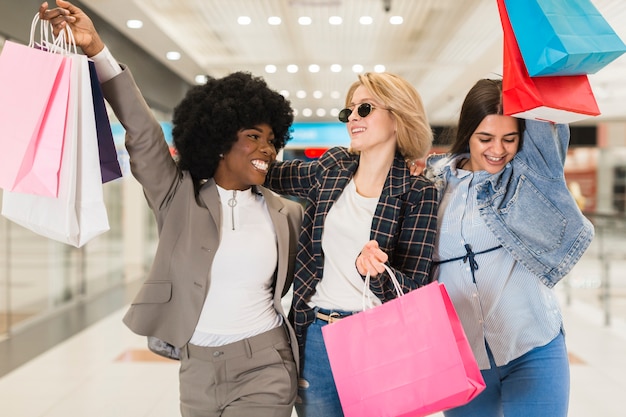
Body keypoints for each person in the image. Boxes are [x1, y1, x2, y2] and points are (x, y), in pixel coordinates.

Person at [39, 1, 304, 416]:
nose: (267, 149)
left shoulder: (287, 213)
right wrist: (96, 51)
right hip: (196, 368)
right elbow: (142, 131)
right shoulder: (178, 197)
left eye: (273, 140)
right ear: (219, 138)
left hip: (265, 366)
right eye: (254, 136)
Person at [265, 72, 439, 416]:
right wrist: (215, 153)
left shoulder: (419, 191)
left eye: (365, 109)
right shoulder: (332, 167)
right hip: (316, 336)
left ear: (398, 117)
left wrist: (375, 271)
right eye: (349, 112)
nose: (352, 119)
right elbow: (269, 173)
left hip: (381, 341)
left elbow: (415, 290)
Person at [421, 79, 594, 417]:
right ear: (467, 134)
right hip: (462, 357)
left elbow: (547, 113)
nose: (497, 149)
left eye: (509, 138)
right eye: (485, 138)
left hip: (533, 344)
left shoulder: (530, 175)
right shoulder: (432, 184)